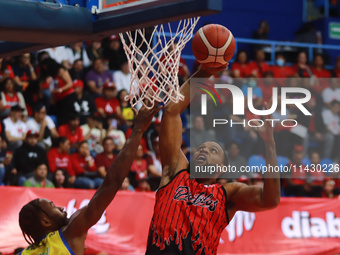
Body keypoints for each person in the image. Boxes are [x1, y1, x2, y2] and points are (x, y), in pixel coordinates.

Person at [146, 65, 280, 254]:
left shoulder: (229, 193)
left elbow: (271, 200)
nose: (203, 151)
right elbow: (172, 111)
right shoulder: (176, 172)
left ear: (222, 167)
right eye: (200, 148)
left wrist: (270, 145)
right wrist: (205, 71)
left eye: (213, 150)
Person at [18, 104, 160, 254]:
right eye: (53, 206)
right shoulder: (69, 233)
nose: (61, 208)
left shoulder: (23, 253)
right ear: (45, 222)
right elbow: (111, 183)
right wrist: (138, 129)